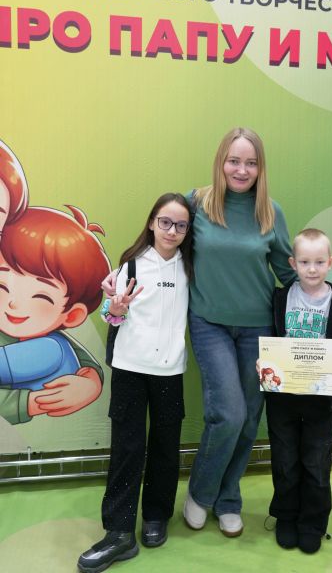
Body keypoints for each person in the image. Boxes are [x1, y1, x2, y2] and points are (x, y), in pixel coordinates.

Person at [101, 128, 332, 538]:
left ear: (260, 168)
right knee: (229, 413)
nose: (242, 170)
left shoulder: (270, 212)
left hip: (259, 327)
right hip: (209, 325)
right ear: (221, 162)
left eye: (251, 163)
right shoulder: (197, 203)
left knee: (249, 417)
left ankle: (228, 498)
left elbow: (293, 273)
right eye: (234, 160)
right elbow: (165, 239)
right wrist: (121, 277)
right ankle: (201, 493)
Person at [78, 193, 193, 573]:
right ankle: (119, 532)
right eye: (165, 222)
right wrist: (114, 309)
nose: (172, 231)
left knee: (166, 447)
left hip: (170, 371)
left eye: (180, 225)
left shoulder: (190, 268)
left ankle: (156, 517)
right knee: (127, 448)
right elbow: (111, 316)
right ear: (152, 223)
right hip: (129, 368)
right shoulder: (130, 265)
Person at [262, 228, 332, 554]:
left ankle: (312, 523)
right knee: (285, 461)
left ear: (330, 262)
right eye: (304, 262)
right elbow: (270, 340)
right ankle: (286, 517)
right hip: (282, 398)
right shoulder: (280, 298)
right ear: (293, 263)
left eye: (319, 262)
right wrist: (263, 363)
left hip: (321, 400)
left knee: (316, 465)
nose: (312, 269)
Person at [0, 205, 110, 422]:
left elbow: (82, 361)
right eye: (3, 287)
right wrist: (28, 403)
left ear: (72, 315)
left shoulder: (50, 347)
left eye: (40, 297)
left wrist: (91, 382)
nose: (13, 303)